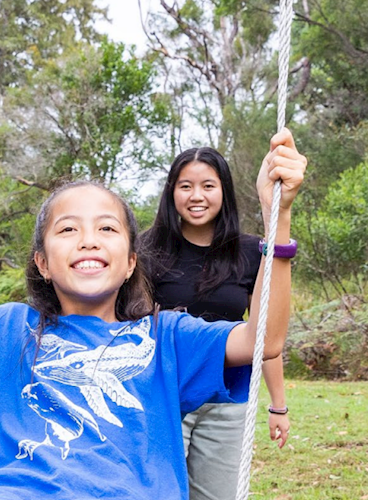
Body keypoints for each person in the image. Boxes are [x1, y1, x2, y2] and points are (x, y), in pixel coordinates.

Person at [0, 130, 306, 499]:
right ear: (42, 261)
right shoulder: (3, 329)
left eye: (107, 229)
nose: (89, 240)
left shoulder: (167, 338)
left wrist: (277, 218)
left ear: (131, 261)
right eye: (68, 229)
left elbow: (263, 341)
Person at [140, 146, 290, 500]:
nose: (196, 196)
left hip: (226, 398)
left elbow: (265, 334)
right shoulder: (146, 249)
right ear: (171, 192)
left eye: (208, 186)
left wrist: (278, 405)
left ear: (224, 191)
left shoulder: (254, 251)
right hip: (164, 394)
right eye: (185, 186)